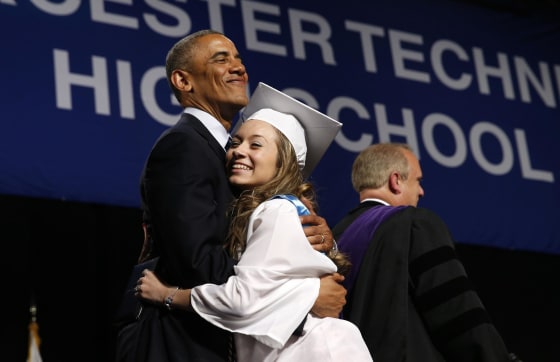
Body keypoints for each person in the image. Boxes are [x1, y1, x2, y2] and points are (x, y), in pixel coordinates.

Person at [115, 31, 345, 362]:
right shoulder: (183, 147)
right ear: (183, 80)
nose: (238, 67)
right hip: (178, 342)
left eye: (238, 59)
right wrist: (302, 295)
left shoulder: (228, 162)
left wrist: (307, 242)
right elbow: (198, 263)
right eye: (221, 59)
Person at [135, 83, 373, 361]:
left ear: (284, 160)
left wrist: (168, 295)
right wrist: (309, 293)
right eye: (235, 142)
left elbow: (244, 300)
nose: (238, 151)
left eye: (256, 144)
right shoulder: (285, 212)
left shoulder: (275, 212)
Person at [332, 142, 513, 362]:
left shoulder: (335, 237)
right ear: (396, 180)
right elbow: (455, 311)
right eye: (417, 180)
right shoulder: (413, 224)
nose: (421, 191)